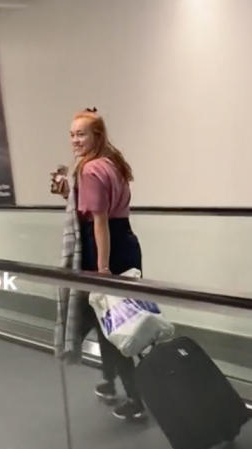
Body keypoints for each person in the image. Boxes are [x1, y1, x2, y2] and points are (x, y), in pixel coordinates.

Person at [58, 108, 146, 421]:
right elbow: (100, 209)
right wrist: (68, 194)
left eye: (81, 133)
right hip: (127, 243)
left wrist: (103, 271)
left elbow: (99, 222)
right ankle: (110, 382)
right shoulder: (111, 163)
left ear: (97, 135)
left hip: (105, 250)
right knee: (108, 321)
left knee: (113, 329)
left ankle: (136, 399)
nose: (75, 140)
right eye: (71, 134)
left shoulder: (90, 169)